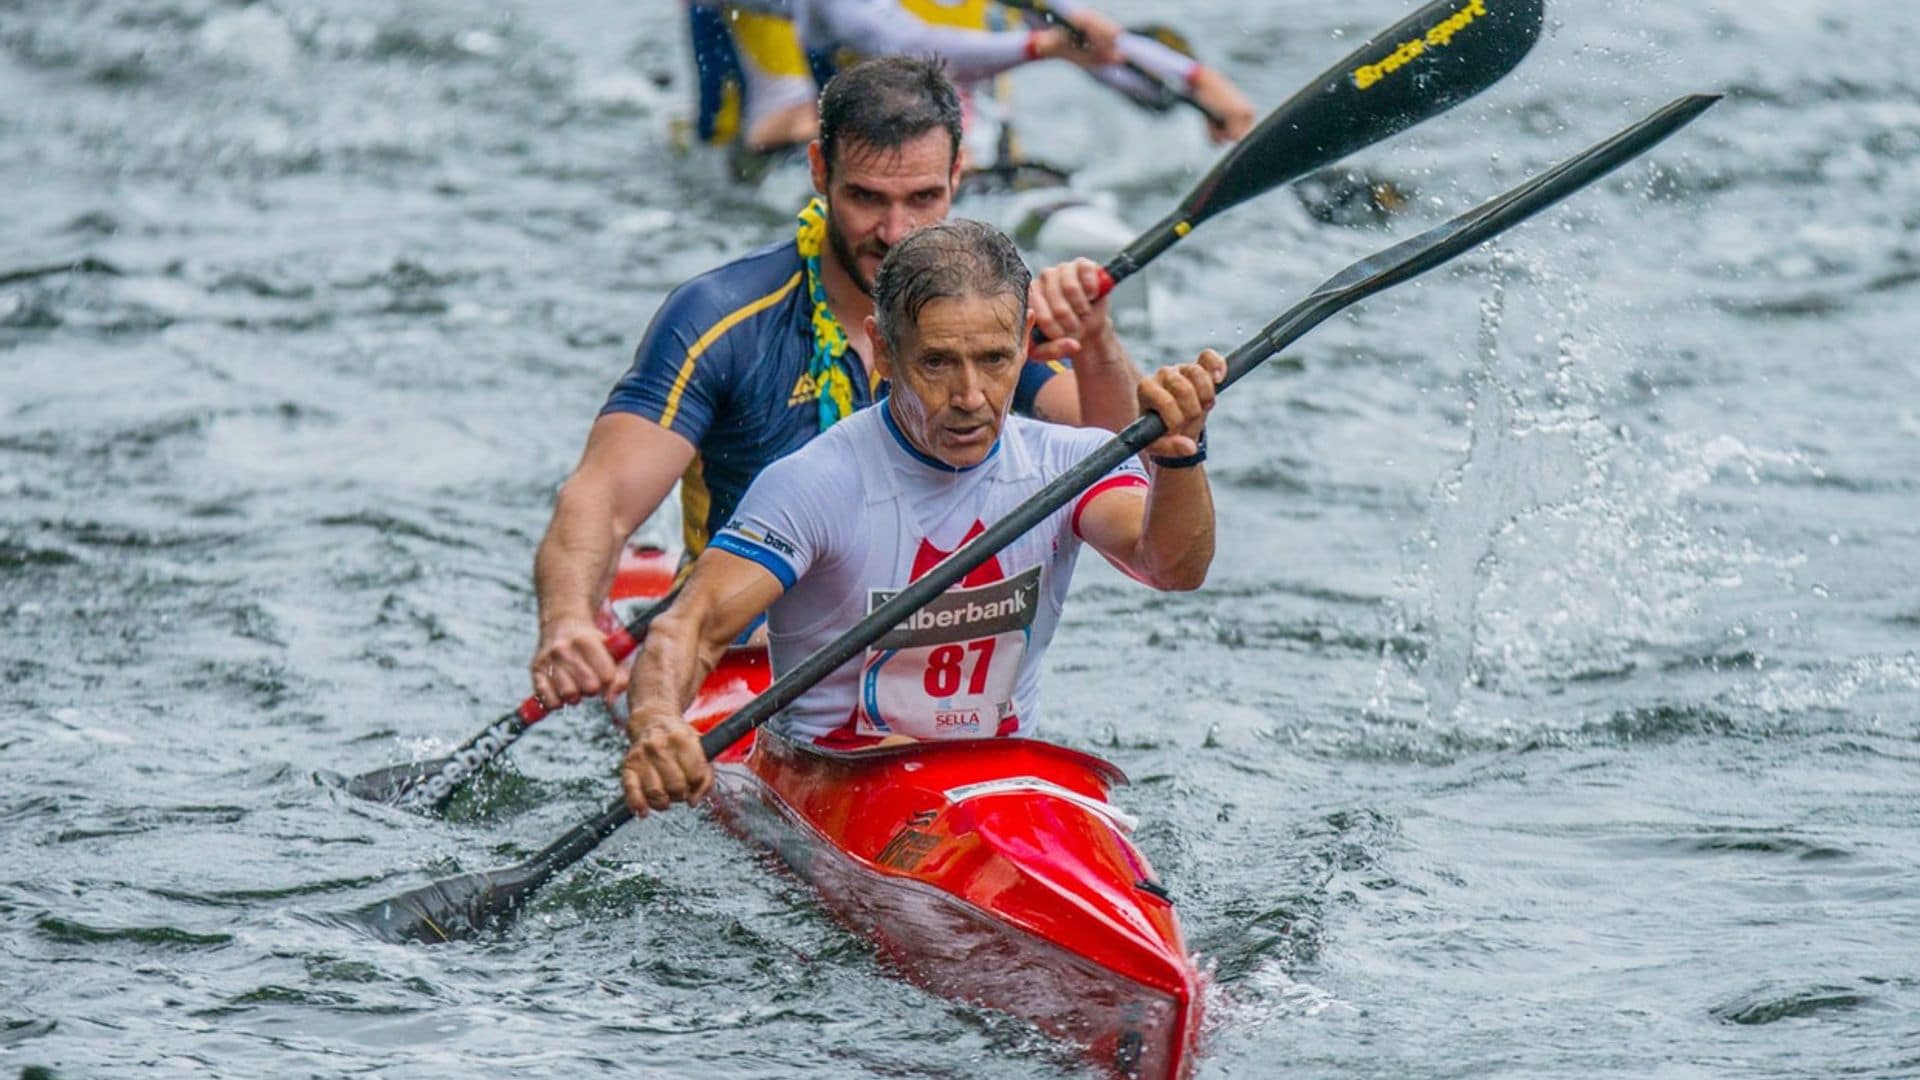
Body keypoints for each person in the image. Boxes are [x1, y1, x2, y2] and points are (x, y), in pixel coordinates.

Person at [532, 57, 1140, 710]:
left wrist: (1100, 340)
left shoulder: (979, 316)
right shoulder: (723, 320)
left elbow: (1113, 453)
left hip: (931, 659)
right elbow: (604, 496)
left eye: (924, 198)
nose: (897, 230)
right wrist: (568, 622)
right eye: (867, 198)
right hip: (747, 660)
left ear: (957, 177)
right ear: (820, 171)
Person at [617, 219, 1222, 815]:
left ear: (1025, 339)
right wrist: (656, 723)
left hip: (1002, 782)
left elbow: (1171, 568)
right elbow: (689, 628)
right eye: (937, 363)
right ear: (882, 349)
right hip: (833, 783)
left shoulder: (1067, 464)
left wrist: (1179, 457)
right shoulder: (816, 484)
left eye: (993, 360)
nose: (970, 396)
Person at [682, 0, 1254, 157]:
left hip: (954, 148)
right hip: (825, 118)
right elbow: (910, 47)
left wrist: (1200, 80)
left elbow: (1090, 39)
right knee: (787, 118)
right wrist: (1041, 45)